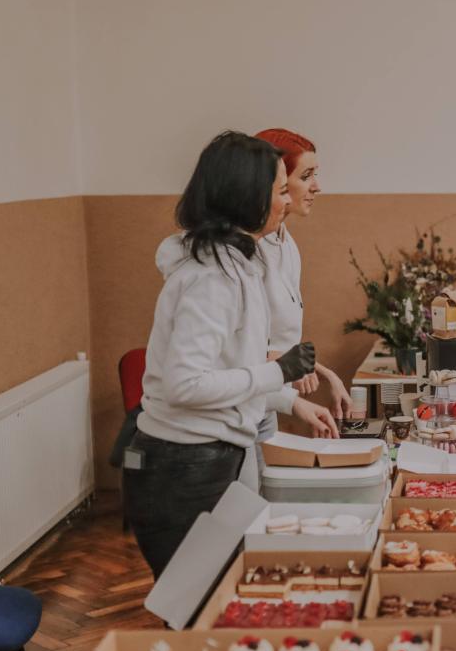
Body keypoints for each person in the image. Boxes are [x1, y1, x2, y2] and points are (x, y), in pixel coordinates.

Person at [126, 132, 337, 577]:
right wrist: (278, 372)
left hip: (214, 452)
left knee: (224, 586)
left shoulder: (238, 263)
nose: (287, 202)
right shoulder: (211, 277)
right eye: (280, 190)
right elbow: (185, 385)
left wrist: (288, 395)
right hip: (183, 464)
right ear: (248, 197)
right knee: (199, 595)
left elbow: (233, 365)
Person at [255, 128, 355, 419]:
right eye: (306, 176)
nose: (316, 187)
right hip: (246, 401)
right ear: (277, 180)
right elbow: (241, 352)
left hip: (270, 400)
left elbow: (282, 345)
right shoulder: (248, 251)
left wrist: (326, 374)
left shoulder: (286, 243)